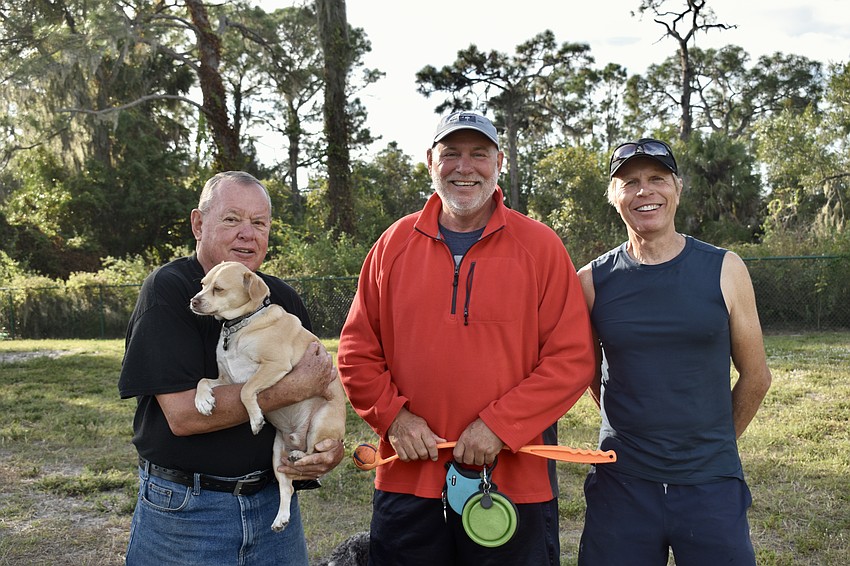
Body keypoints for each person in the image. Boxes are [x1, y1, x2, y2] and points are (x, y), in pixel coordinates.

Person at [337, 111, 596, 565]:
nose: (464, 166)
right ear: (430, 161)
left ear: (500, 161)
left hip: (512, 486)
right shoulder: (392, 245)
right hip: (407, 479)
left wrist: (500, 425)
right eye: (451, 153)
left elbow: (571, 359)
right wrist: (394, 419)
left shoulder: (540, 247)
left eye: (479, 154)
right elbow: (357, 352)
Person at [118, 171, 344, 566]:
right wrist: (289, 388)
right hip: (188, 514)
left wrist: (328, 448)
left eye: (259, 223)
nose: (247, 233)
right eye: (232, 218)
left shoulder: (280, 299)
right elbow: (184, 416)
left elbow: (322, 387)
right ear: (198, 223)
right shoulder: (168, 291)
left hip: (274, 505)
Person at [576, 138, 773, 565]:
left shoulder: (725, 268)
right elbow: (588, 373)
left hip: (711, 485)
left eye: (657, 179)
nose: (644, 191)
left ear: (677, 189)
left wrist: (714, 445)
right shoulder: (590, 281)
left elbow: (757, 377)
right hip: (621, 485)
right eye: (630, 182)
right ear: (615, 197)